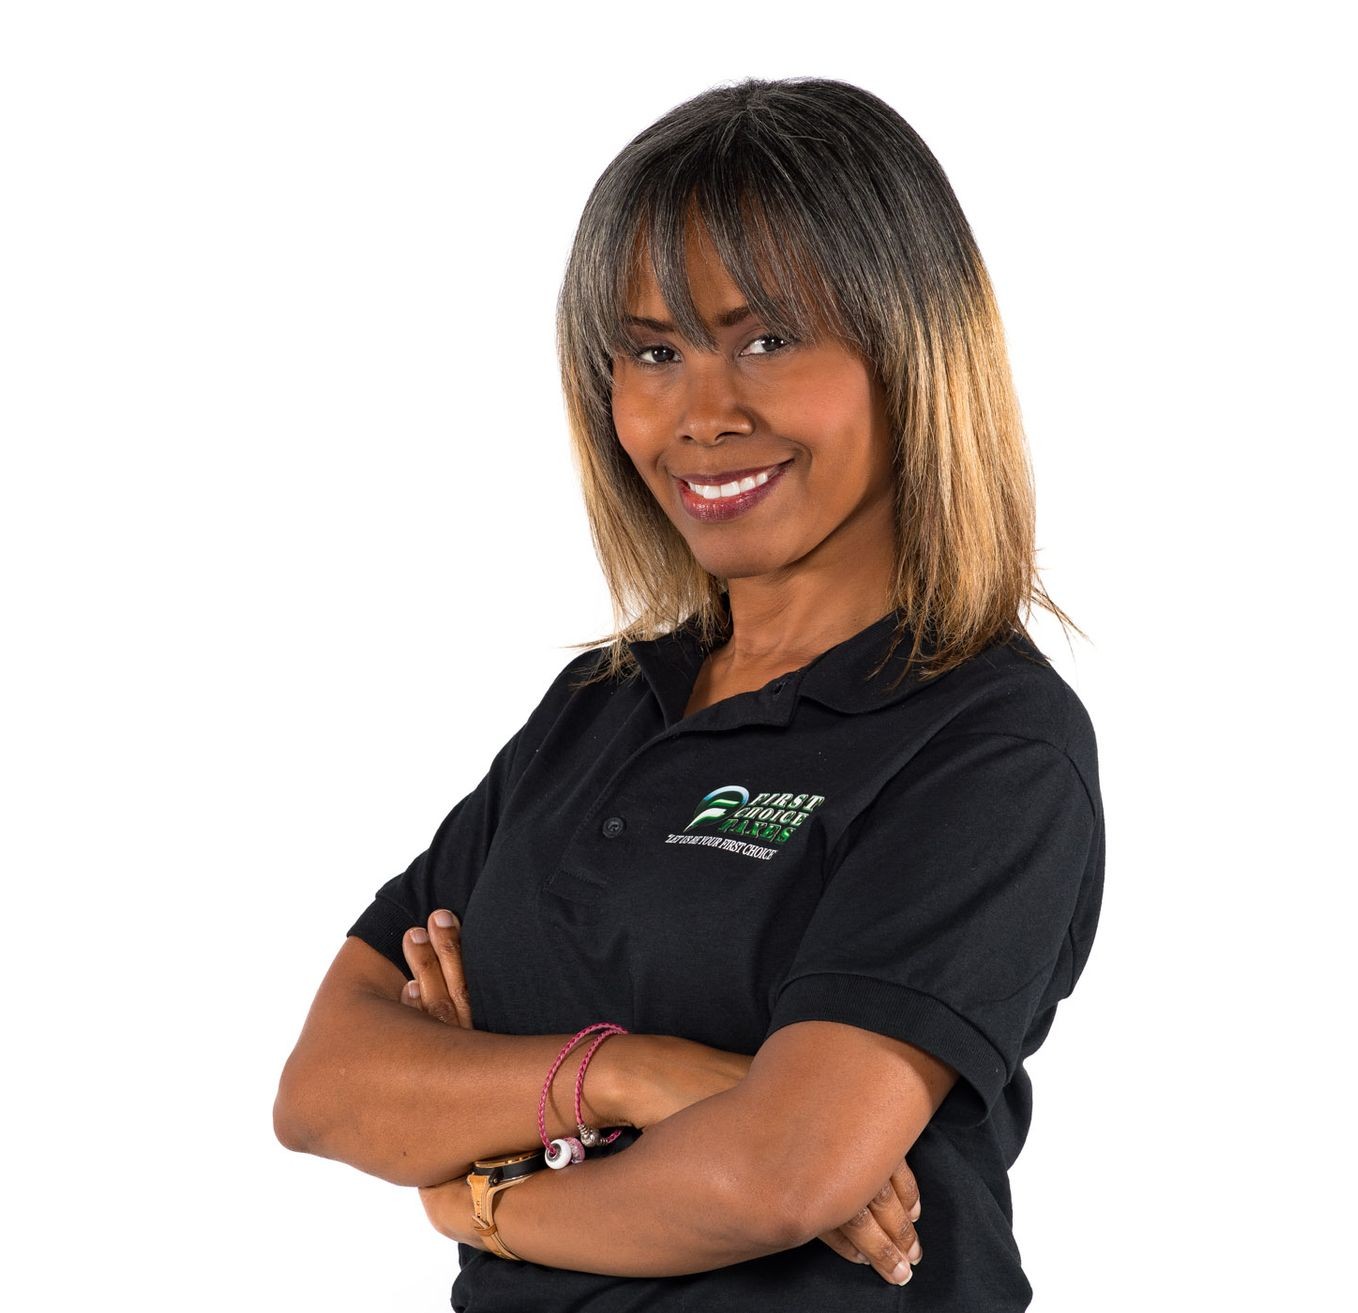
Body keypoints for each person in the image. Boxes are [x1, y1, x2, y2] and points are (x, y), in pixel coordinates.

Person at [274, 75, 1106, 1311]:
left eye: (766, 337)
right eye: (653, 352)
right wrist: (630, 1074)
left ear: (909, 349)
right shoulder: (598, 708)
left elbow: (784, 1170)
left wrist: (480, 1188)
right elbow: (327, 1085)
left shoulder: (984, 742)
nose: (702, 413)